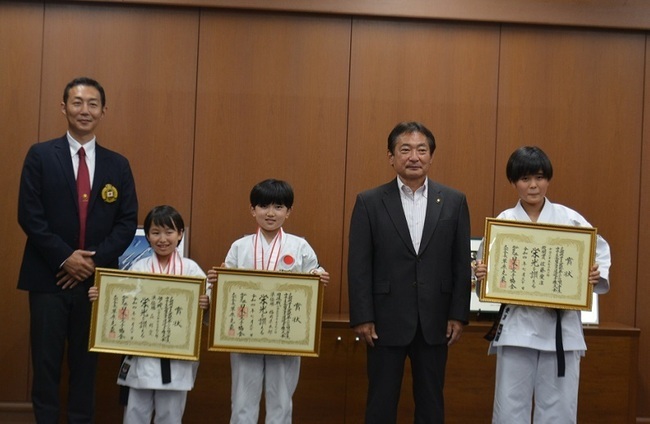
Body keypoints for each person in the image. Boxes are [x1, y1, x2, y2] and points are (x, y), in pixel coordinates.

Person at [17, 77, 138, 423]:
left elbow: (126, 223)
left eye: (92, 104)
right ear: (64, 108)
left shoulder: (118, 164)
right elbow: (29, 215)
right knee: (45, 365)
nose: (85, 110)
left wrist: (91, 262)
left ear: (103, 111)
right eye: (77, 102)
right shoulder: (40, 155)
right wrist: (65, 257)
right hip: (47, 278)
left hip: (94, 285)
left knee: (87, 367)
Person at [473, 146, 611, 424]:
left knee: (559, 407)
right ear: (513, 183)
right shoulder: (504, 223)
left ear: (548, 179)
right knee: (510, 406)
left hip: (561, 328)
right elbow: (484, 272)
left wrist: (595, 274)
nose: (533, 185)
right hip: (517, 329)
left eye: (539, 177)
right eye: (524, 179)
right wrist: (482, 274)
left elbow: (599, 254)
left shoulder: (570, 220)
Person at [348, 121, 471, 423]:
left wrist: (458, 313)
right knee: (381, 401)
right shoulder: (370, 201)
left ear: (431, 156)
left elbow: (460, 262)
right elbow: (359, 264)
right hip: (384, 320)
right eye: (405, 149)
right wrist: (363, 316)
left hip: (436, 320)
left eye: (421, 150)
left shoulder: (454, 201)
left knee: (431, 401)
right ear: (391, 157)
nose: (414, 156)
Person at [207, 178, 329, 424]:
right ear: (253, 210)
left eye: (278, 207)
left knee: (281, 401)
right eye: (263, 206)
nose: (271, 213)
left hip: (285, 336)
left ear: (289, 212)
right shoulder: (240, 247)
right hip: (244, 335)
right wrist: (216, 283)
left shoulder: (300, 246)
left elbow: (312, 282)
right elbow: (223, 287)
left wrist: (319, 278)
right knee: (242, 401)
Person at [89, 205, 210, 424]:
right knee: (135, 414)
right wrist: (103, 296)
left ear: (180, 234)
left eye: (169, 232)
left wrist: (206, 302)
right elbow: (121, 306)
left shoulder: (191, 270)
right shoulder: (138, 267)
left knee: (170, 416)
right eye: (155, 233)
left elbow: (208, 306)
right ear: (147, 236)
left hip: (177, 358)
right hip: (141, 357)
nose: (162, 239)